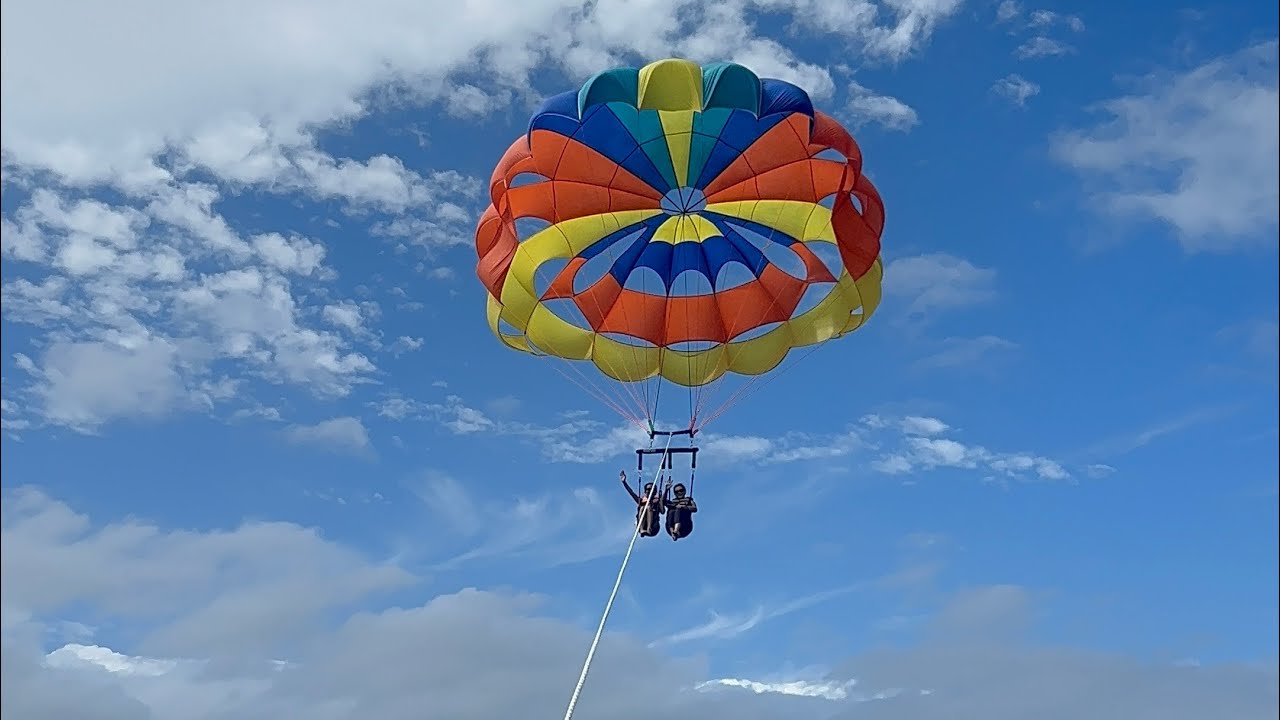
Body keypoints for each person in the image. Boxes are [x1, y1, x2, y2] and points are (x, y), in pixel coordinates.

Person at [620, 470, 662, 537]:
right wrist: (624, 482)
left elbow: (663, 511)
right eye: (648, 489)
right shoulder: (641, 501)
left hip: (654, 527)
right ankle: (642, 529)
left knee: (648, 507)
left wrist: (662, 498)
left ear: (654, 491)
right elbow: (631, 493)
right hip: (641, 526)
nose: (649, 491)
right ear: (645, 491)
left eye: (651, 489)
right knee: (643, 507)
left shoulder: (657, 501)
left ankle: (649, 528)